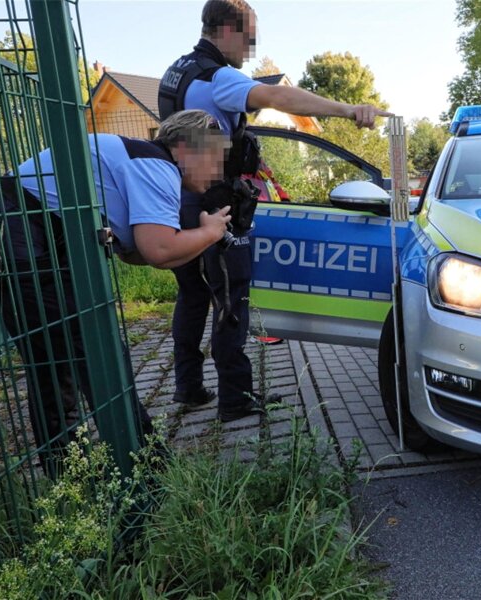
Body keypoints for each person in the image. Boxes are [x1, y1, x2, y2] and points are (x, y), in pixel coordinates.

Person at [158, 0, 391, 423]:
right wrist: (346, 110)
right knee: (231, 297)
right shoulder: (218, 77)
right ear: (227, 29)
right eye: (249, 37)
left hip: (176, 198)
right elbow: (280, 95)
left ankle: (188, 388)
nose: (250, 48)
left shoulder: (178, 70)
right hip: (215, 201)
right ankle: (235, 399)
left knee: (192, 296)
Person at [0, 109, 232, 476]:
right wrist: (210, 233)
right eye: (214, 157)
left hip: (5, 227)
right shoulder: (156, 165)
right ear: (186, 148)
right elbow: (160, 251)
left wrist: (195, 237)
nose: (218, 171)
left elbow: (137, 252)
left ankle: (69, 474)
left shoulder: (140, 157)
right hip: (16, 234)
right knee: (98, 349)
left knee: (52, 359)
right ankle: (149, 468)